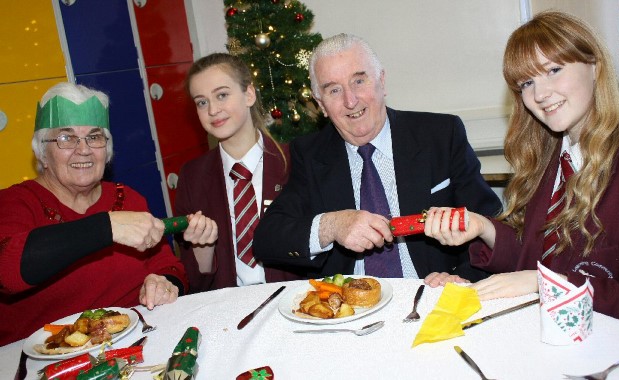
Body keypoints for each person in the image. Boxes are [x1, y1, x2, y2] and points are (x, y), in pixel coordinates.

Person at [423, 11, 619, 326]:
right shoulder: (550, 160)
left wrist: (546, 284)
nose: (540, 95)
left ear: (595, 67)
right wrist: (483, 227)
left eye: (554, 70)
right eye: (527, 82)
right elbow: (539, 257)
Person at [253, 33, 502, 280]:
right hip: (350, 308)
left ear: (382, 81)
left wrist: (464, 278)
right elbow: (267, 239)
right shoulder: (309, 154)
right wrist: (332, 225)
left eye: (359, 81)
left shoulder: (440, 134)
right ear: (320, 105)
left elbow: (489, 221)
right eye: (334, 90)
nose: (350, 101)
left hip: (433, 296)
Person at [0, 82, 216, 346]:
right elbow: (6, 271)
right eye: (66, 138)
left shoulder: (128, 198)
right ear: (43, 153)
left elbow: (168, 266)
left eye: (94, 137)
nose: (84, 149)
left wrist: (164, 283)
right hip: (41, 361)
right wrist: (107, 226)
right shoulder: (15, 202)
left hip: (134, 343)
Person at [175, 53, 304, 292]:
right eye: (202, 102)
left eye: (222, 95)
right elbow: (194, 281)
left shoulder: (295, 162)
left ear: (249, 94)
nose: (213, 110)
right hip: (228, 307)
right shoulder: (192, 177)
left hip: (294, 301)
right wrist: (203, 249)